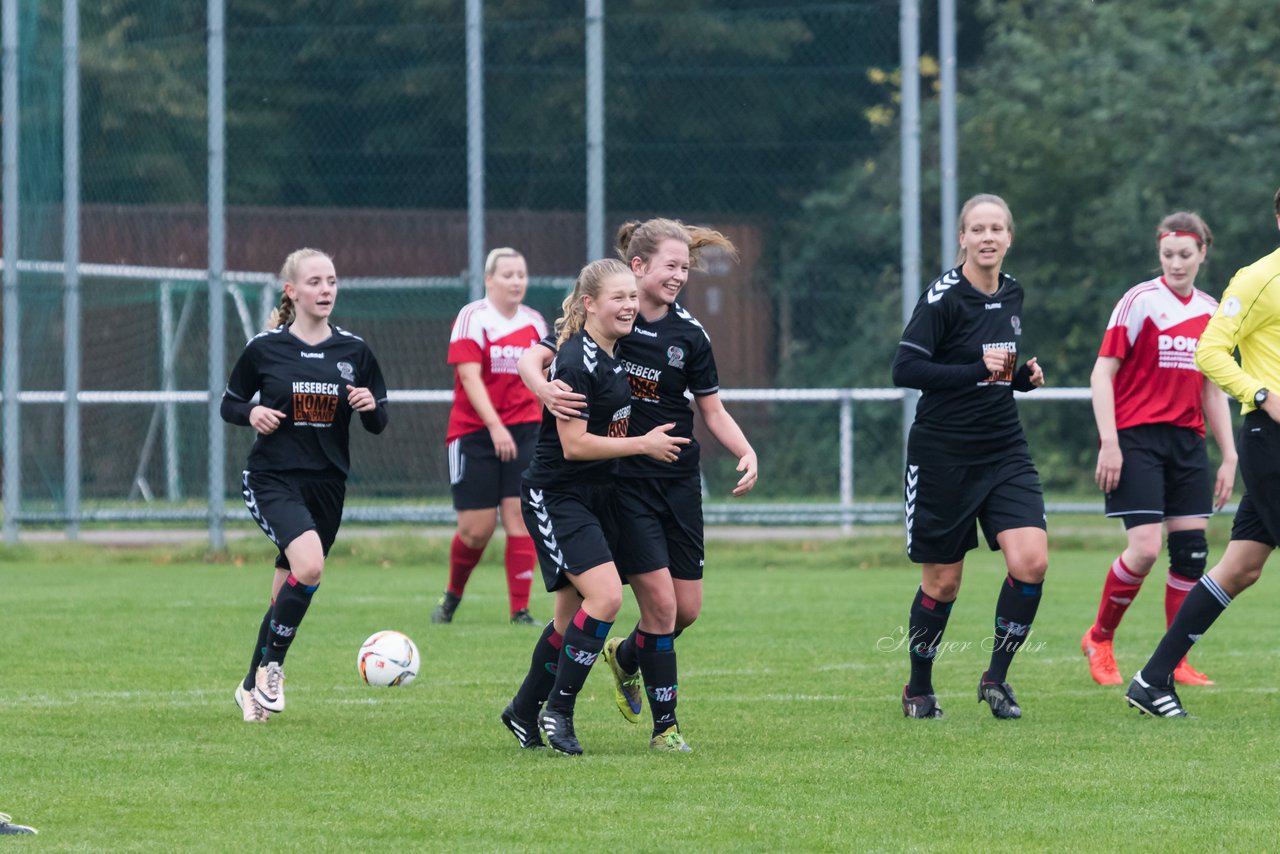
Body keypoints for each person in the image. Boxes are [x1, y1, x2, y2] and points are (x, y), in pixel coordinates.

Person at [518, 217, 758, 752]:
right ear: (638, 266)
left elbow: (712, 410)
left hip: (675, 481)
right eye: (671, 266)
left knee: (685, 610)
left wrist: (745, 450)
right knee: (648, 606)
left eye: (685, 268)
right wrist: (544, 389)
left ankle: (624, 658)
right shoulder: (607, 320)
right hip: (623, 482)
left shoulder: (688, 334)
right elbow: (538, 354)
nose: (679, 276)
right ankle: (662, 728)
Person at [499, 258, 689, 756]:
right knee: (605, 598)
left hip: (600, 495)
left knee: (569, 621)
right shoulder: (575, 361)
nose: (629, 306)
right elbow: (575, 446)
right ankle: (558, 712)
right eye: (618, 298)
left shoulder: (616, 347)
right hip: (558, 494)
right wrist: (643, 444)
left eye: (633, 297)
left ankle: (522, 711)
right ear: (589, 304)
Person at [892, 193, 1047, 721]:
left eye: (996, 228)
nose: (987, 237)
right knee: (943, 584)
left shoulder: (1013, 292)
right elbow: (906, 370)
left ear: (1009, 237)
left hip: (1003, 449)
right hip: (943, 455)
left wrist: (1019, 379)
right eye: (977, 229)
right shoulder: (942, 298)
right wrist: (975, 371)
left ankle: (996, 680)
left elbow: (996, 369)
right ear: (962, 237)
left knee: (1031, 563)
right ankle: (918, 688)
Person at [1126, 187, 1280, 718]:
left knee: (1240, 568)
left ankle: (1150, 678)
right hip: (1271, 438)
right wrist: (1259, 395)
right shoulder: (1259, 279)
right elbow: (1209, 350)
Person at [221, 248, 389, 722]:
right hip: (272, 478)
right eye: (314, 282)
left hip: (327, 487)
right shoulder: (264, 348)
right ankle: (273, 667)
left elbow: (379, 421)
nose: (326, 290)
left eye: (332, 281)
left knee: (286, 593)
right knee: (310, 566)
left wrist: (368, 406)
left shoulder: (354, 351)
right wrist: (252, 411)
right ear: (292, 291)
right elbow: (230, 403)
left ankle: (250, 687)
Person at [1082, 213, 1236, 687]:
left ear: (1202, 254)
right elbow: (1101, 374)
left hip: (1188, 441)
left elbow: (1212, 387)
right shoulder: (1139, 301)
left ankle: (1174, 658)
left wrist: (1229, 455)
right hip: (1137, 438)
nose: (1175, 263)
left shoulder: (1211, 310)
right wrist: (1110, 442)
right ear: (1159, 253)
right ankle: (1100, 637)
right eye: (1168, 254)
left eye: (1185, 255)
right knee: (1145, 549)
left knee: (1191, 554)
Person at [432, 248, 548, 626]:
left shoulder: (535, 323)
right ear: (489, 279)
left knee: (519, 517)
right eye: (508, 274)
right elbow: (469, 376)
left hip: (526, 430)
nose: (516, 282)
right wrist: (496, 427)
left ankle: (520, 610)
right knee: (476, 528)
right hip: (475, 434)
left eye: (521, 274)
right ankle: (451, 597)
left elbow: (545, 378)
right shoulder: (473, 317)